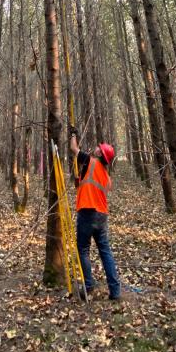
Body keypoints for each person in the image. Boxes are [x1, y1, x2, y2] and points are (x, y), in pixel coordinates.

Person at [69, 127, 121, 300]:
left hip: (87, 212)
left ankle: (88, 286)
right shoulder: (107, 177)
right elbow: (86, 185)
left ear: (101, 154)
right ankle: (115, 291)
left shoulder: (90, 161)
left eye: (100, 148)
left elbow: (74, 149)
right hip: (102, 216)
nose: (97, 147)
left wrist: (73, 135)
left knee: (83, 249)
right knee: (105, 251)